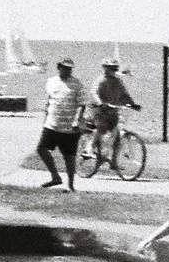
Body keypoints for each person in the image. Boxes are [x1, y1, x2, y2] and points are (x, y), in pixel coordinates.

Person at [37, 58, 88, 191]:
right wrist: (45, 118)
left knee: (69, 157)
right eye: (65, 68)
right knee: (41, 149)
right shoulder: (51, 82)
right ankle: (55, 177)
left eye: (70, 68)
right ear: (59, 67)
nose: (67, 70)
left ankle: (70, 185)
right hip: (52, 124)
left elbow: (82, 104)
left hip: (70, 127)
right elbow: (49, 101)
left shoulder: (77, 84)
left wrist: (77, 120)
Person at [89, 58, 140, 169]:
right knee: (101, 128)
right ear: (105, 68)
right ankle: (89, 150)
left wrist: (133, 104)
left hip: (113, 112)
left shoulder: (118, 81)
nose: (113, 70)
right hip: (99, 111)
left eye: (115, 68)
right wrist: (100, 103)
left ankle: (113, 162)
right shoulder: (100, 80)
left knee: (117, 138)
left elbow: (124, 94)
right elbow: (94, 93)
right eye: (111, 68)